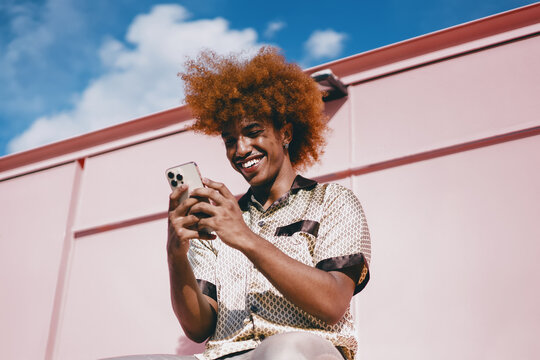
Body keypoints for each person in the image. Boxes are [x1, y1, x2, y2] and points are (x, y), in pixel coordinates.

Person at [105, 47, 371, 360]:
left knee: (284, 350)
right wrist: (175, 253)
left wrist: (244, 237)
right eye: (230, 140)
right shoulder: (216, 218)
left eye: (253, 132)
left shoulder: (332, 200)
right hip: (223, 355)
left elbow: (331, 304)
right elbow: (199, 328)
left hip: (304, 349)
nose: (240, 148)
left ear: (285, 133)